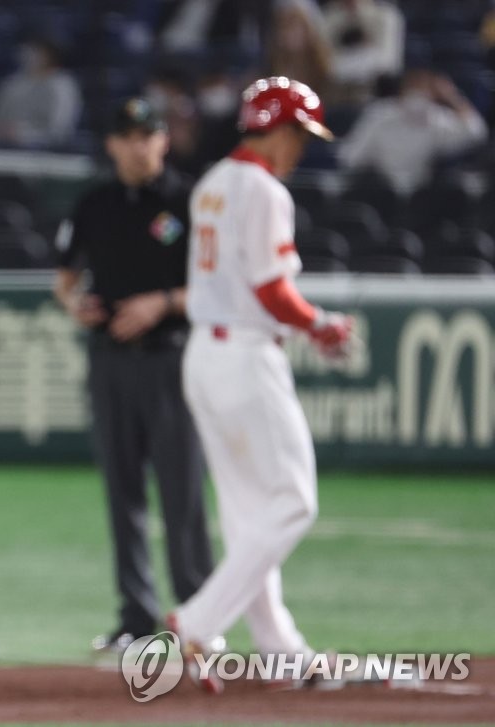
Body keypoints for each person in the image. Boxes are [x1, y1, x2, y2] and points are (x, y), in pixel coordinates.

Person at [168, 76, 353, 693]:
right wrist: (322, 325)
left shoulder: (213, 182)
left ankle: (279, 649)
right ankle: (198, 620)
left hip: (204, 354)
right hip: (245, 355)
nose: (301, 147)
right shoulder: (264, 190)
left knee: (252, 515)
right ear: (279, 128)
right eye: (300, 133)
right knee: (294, 500)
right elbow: (272, 289)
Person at [53, 98, 215, 653]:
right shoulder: (95, 202)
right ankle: (136, 618)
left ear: (163, 141)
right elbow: (65, 277)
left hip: (171, 357)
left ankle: (200, 618)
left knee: (182, 494)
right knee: (123, 493)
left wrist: (161, 302)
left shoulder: (189, 200)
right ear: (112, 144)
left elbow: (216, 286)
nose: (139, 144)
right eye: (129, 135)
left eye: (149, 134)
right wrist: (77, 305)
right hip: (111, 362)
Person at [336, 68, 488, 195]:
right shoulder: (379, 114)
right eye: (414, 86)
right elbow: (350, 158)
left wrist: (452, 97)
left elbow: (476, 132)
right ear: (404, 88)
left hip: (419, 201)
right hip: (377, 194)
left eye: (423, 88)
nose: (418, 96)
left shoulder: (434, 118)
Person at [0, 35, 82, 147]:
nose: (29, 54)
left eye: (37, 50)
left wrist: (23, 134)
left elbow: (59, 130)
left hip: (45, 152)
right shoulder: (12, 83)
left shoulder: (62, 85)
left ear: (49, 54)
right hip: (2, 148)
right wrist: (1, 132)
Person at [321, 0, 404, 104]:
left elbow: (386, 63)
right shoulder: (329, 17)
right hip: (336, 93)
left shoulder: (386, 16)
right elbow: (325, 64)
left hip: (376, 91)